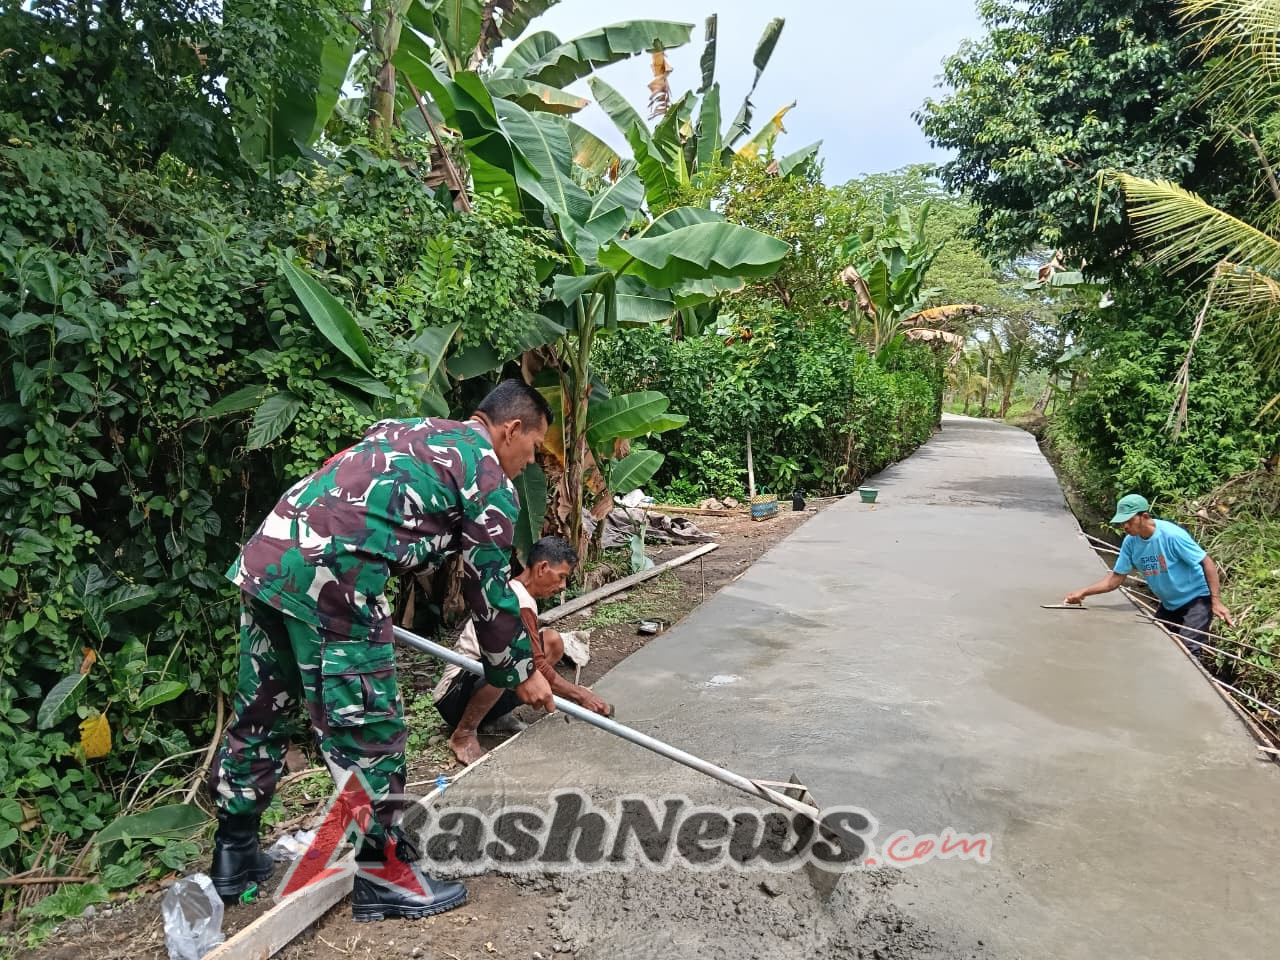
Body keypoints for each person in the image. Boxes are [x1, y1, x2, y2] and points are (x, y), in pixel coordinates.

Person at [206, 379, 555, 921]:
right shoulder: (486, 474)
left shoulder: (408, 428)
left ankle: (235, 855)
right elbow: (489, 589)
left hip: (268, 561)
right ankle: (385, 874)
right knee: (367, 725)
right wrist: (520, 670)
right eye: (531, 452)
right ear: (510, 430)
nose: (527, 466)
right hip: (336, 581)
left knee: (260, 712)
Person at [433, 536, 611, 764]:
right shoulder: (517, 601)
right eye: (561, 577)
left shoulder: (521, 595)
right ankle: (464, 734)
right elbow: (534, 666)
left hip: (475, 682)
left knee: (552, 641)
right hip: (453, 695)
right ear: (543, 568)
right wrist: (580, 694)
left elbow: (536, 658)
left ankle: (493, 715)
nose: (563, 586)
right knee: (507, 664)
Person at [1064, 493, 1233, 653]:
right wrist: (1083, 592)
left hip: (1196, 601)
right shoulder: (1130, 542)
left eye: (1128, 521)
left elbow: (1207, 562)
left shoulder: (1172, 535)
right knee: (1157, 645)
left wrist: (1215, 601)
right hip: (1169, 604)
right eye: (1122, 523)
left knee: (1188, 650)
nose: (1125, 527)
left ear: (1144, 516)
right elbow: (1114, 580)